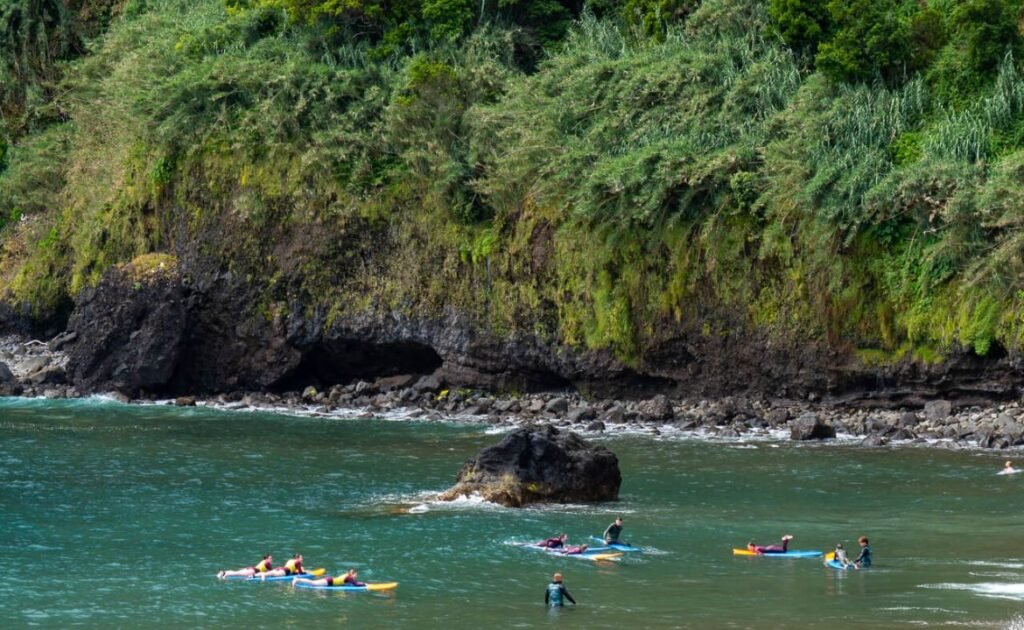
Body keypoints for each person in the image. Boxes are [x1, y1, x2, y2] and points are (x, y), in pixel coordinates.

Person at [293, 569, 365, 588]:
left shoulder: (347, 575)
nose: (356, 576)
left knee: (314, 583)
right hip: (329, 581)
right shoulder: (349, 577)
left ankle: (298, 580)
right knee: (313, 583)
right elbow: (356, 584)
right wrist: (364, 584)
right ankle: (297, 579)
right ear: (353, 574)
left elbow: (349, 583)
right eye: (356, 575)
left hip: (330, 580)